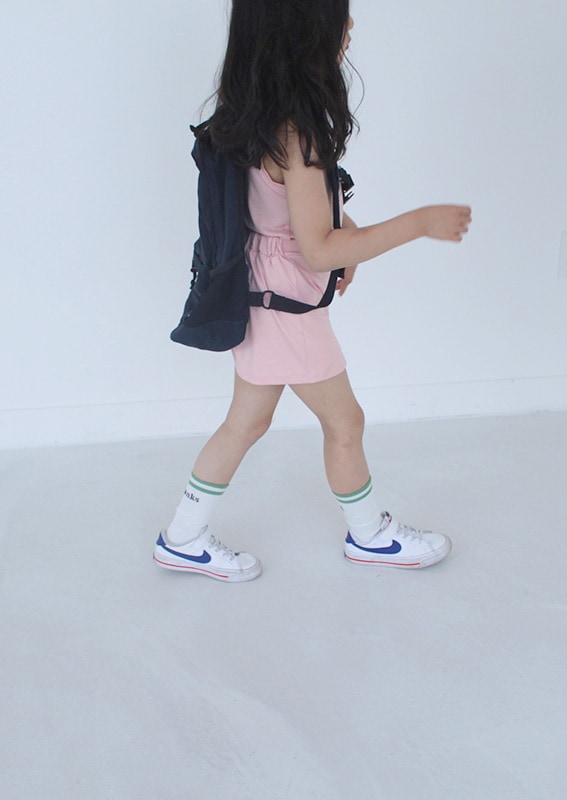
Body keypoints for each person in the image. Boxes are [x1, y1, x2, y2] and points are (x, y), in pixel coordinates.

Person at [154, 0, 471, 582]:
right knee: (345, 421)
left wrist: (342, 227)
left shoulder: (256, 113)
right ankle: (370, 535)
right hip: (286, 307)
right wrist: (419, 223)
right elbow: (319, 249)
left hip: (262, 293)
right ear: (303, 34)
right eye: (338, 17)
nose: (349, 27)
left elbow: (278, 210)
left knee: (246, 423)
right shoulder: (299, 134)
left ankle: (182, 536)